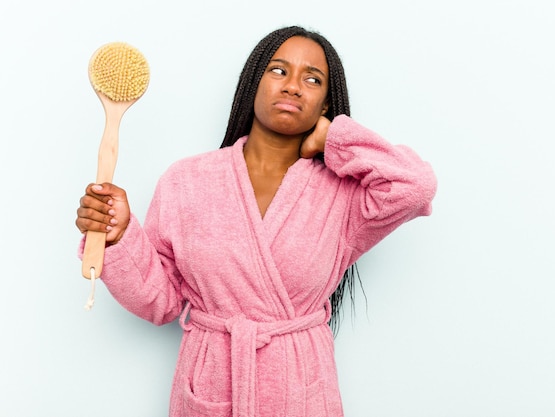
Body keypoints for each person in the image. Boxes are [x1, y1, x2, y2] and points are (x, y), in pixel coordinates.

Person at [76, 25, 437, 417]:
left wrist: (335, 140)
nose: (293, 86)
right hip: (212, 384)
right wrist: (118, 236)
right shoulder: (186, 181)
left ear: (325, 106)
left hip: (301, 392)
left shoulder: (344, 195)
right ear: (254, 82)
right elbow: (159, 302)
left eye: (312, 79)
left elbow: (416, 186)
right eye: (279, 71)